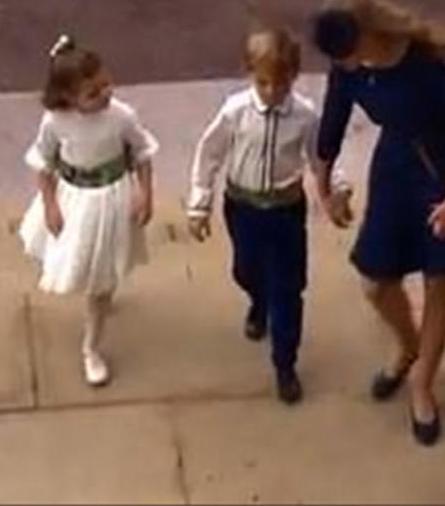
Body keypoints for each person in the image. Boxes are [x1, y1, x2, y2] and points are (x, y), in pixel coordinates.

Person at [311, 0, 445, 446]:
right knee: (376, 280)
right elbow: (333, 118)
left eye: (348, 50)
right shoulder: (349, 65)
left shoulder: (426, 65)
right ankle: (410, 345)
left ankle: (423, 379)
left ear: (369, 31)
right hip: (398, 164)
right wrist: (324, 183)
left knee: (441, 277)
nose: (342, 63)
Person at [186, 26, 351, 405]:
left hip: (285, 211)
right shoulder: (235, 111)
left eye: (281, 83)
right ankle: (257, 301)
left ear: (293, 76)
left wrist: (336, 190)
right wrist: (200, 202)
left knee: (288, 290)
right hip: (242, 207)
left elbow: (322, 156)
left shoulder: (305, 116)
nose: (272, 92)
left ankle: (285, 364)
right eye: (263, 83)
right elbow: (209, 154)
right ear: (249, 74)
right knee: (246, 270)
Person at [19, 35, 159, 387]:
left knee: (100, 280)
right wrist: (50, 205)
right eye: (93, 92)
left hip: (111, 199)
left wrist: (146, 194)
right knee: (73, 260)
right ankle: (99, 295)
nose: (105, 94)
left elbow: (142, 153)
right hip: (74, 200)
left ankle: (91, 347)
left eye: (105, 84)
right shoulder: (55, 122)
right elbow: (43, 163)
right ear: (67, 96)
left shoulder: (122, 116)